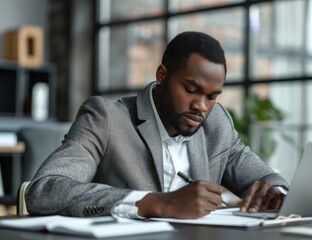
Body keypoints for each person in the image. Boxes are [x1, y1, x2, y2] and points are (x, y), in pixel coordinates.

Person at [26, 31, 289, 219]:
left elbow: (266, 178)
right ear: (162, 75)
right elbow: (45, 190)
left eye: (212, 96)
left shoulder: (217, 123)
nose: (202, 106)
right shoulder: (106, 117)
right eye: (191, 89)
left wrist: (275, 192)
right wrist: (156, 203)